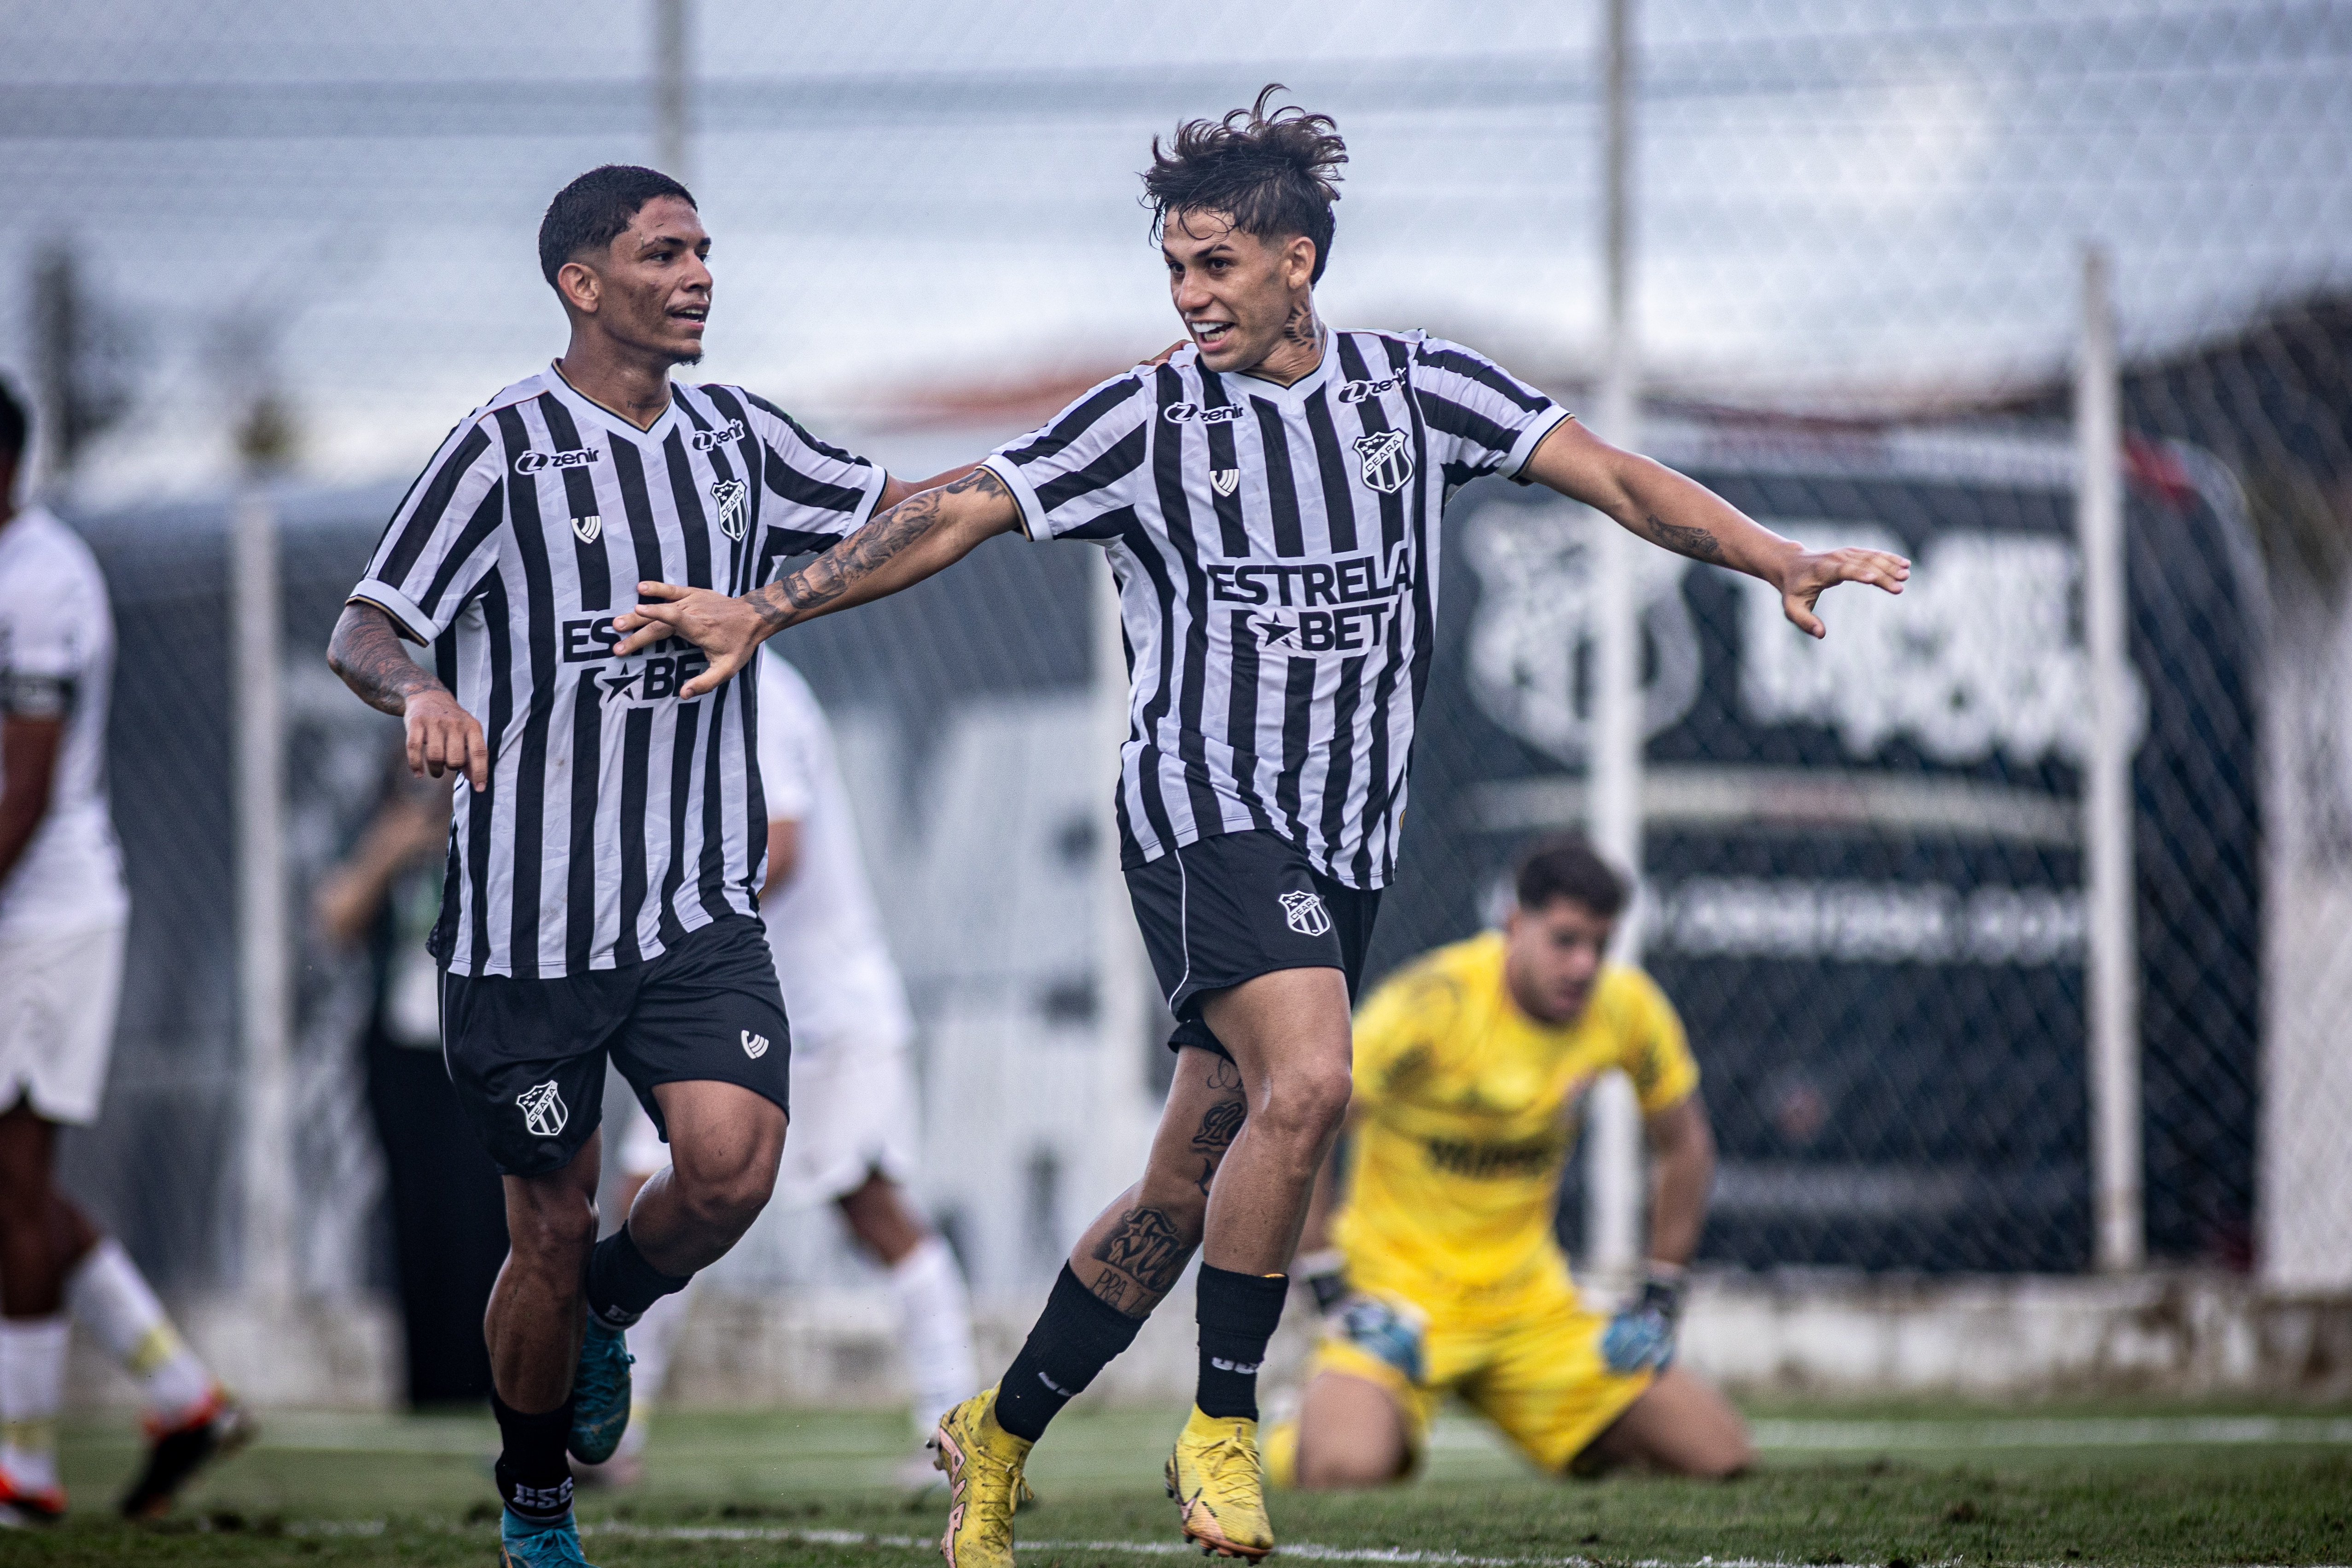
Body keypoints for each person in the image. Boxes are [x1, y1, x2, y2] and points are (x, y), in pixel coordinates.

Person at [612, 88, 1906, 1568]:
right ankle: (1224, 1425)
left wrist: (1775, 556)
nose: (1188, 294)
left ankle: (1002, 1427)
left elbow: (1610, 473)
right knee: (1311, 1081)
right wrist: (770, 602)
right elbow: (965, 503)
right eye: (1174, 266)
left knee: (1187, 1174)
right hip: (1201, 812)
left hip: (1340, 840)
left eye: (1215, 263)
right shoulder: (1148, 414)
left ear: (1298, 258)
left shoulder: (1419, 390)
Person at [323, 165, 976, 1568]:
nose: (697, 275)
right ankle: (537, 1500)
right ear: (581, 283)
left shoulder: (740, 438)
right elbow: (367, 625)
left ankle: (615, 1308)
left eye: (702, 251)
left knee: (732, 1168)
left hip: (692, 907)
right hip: (528, 929)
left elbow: (913, 509)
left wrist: (1028, 477)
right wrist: (417, 695)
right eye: (662, 252)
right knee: (543, 1232)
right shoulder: (501, 447)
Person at [582, 650, 975, 1490]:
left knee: (873, 1212)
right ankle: (612, 1437)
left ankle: (956, 1435)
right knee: (646, 1196)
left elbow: (779, 847)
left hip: (822, 1008)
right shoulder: (657, 686)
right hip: (721, 1008)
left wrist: (656, 927)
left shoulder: (758, 687)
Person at [1267, 835, 1751, 1490]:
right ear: (1515, 924)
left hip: (1530, 1309)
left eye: (1600, 946)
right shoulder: (1431, 1004)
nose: (1584, 965)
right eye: (1565, 940)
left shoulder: (1626, 1008)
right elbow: (1310, 1125)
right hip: (1400, 1303)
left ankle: (1584, 1431)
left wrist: (1661, 1296)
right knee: (1347, 1468)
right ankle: (1305, 1419)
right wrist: (1330, 1288)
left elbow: (1685, 1143)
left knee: (1719, 1456)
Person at [0, 378, 250, 1524]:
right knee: (18, 1181)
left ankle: (26, 1468)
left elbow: (27, 786)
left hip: (42, 914)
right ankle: (179, 1390)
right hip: (27, 913)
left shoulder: (41, 581)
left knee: (13, 1181)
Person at [312, 761, 509, 1407]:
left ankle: (498, 1378)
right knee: (414, 1214)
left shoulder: (504, 818)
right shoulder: (380, 823)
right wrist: (389, 850)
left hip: (486, 1047)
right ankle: (429, 1384)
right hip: (404, 1049)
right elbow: (336, 919)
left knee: (487, 1213)